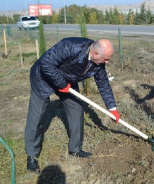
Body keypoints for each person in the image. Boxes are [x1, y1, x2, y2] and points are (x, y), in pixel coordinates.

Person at [25, 37, 120, 172]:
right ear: (95, 54)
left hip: (67, 80)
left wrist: (112, 108)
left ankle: (75, 149)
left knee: (76, 108)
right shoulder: (70, 46)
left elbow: (103, 83)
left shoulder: (99, 62)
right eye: (106, 59)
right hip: (43, 78)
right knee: (36, 116)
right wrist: (61, 84)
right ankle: (32, 156)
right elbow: (46, 63)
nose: (107, 62)